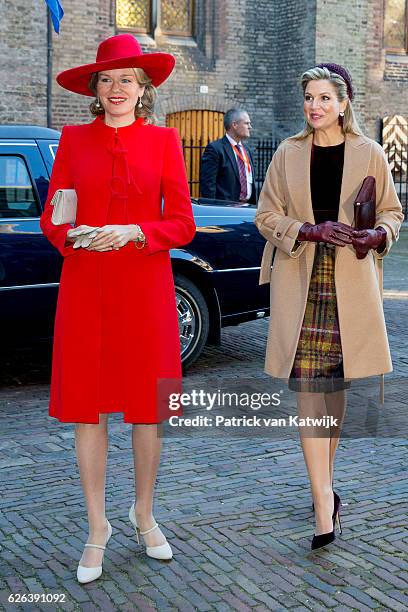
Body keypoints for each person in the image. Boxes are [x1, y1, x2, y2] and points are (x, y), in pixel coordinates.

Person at [40, 34, 196, 583]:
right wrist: (74, 236)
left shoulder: (165, 142)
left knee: (147, 408)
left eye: (127, 79)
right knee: (88, 406)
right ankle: (96, 526)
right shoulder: (72, 140)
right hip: (86, 287)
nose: (116, 89)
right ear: (94, 89)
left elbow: (182, 223)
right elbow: (52, 217)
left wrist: (136, 231)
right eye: (106, 80)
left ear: (143, 88)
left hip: (145, 287)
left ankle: (145, 514)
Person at [255, 64, 403, 550]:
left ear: (344, 103)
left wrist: (378, 234)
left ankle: (327, 487)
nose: (314, 106)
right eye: (308, 97)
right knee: (308, 389)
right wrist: (308, 230)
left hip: (350, 287)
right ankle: (323, 504)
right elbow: (266, 214)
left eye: (324, 98)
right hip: (301, 282)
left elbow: (392, 213)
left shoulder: (371, 153)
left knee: (333, 390)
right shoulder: (286, 152)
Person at [200, 108, 257, 204]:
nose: (250, 127)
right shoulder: (215, 149)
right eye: (246, 123)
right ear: (234, 125)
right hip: (225, 210)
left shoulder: (246, 150)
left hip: (247, 207)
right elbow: (208, 185)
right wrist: (212, 208)